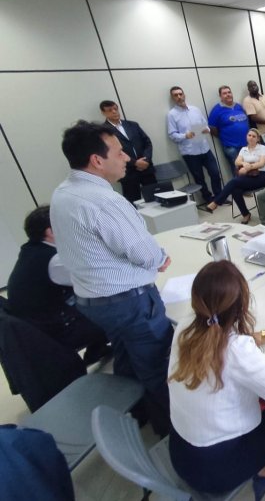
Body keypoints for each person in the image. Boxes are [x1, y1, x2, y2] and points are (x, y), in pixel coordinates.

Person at [50, 122, 173, 434]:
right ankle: (171, 428)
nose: (127, 158)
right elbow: (143, 252)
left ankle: (137, 415)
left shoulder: (63, 193)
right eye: (119, 152)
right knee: (158, 365)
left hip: (94, 302)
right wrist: (159, 258)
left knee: (128, 358)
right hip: (129, 303)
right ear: (97, 160)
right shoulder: (105, 202)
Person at [168, 261, 265, 497]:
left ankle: (263, 459)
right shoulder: (237, 349)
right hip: (217, 470)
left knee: (254, 396)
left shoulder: (186, 325)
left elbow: (221, 338)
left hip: (181, 454)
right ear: (242, 305)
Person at [7, 206, 110, 365]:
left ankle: (97, 349)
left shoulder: (33, 249)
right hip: (55, 328)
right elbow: (97, 280)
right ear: (51, 232)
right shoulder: (54, 261)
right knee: (118, 311)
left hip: (39, 321)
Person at [167, 86, 222, 203]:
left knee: (215, 173)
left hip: (205, 148)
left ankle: (219, 196)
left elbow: (204, 124)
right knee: (199, 178)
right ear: (173, 98)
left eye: (180, 94)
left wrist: (207, 129)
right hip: (190, 152)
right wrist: (184, 136)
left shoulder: (195, 109)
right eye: (175, 95)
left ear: (184, 94)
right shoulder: (172, 114)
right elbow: (172, 135)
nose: (179, 97)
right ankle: (208, 199)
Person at [205, 129, 265, 224]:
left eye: (254, 136)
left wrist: (249, 167)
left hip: (261, 176)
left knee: (234, 182)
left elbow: (261, 163)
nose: (251, 138)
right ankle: (245, 214)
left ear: (258, 139)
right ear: (246, 137)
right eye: (249, 135)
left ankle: (216, 202)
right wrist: (244, 163)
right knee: (235, 190)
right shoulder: (243, 149)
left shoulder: (262, 148)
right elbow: (237, 162)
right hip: (248, 177)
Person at [100, 100, 156, 202]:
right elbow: (111, 153)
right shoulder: (104, 131)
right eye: (110, 110)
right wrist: (135, 163)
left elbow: (147, 143)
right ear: (103, 113)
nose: (114, 112)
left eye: (115, 109)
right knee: (133, 202)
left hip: (146, 168)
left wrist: (146, 160)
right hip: (127, 172)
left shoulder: (132, 125)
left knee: (156, 197)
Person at [208, 85, 250, 172]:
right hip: (232, 147)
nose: (228, 95)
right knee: (238, 170)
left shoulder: (239, 106)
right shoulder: (216, 110)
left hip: (246, 145)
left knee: (249, 167)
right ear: (220, 96)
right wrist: (225, 136)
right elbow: (212, 128)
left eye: (229, 92)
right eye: (224, 93)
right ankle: (240, 186)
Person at [242, 80, 265, 160]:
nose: (254, 87)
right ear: (248, 89)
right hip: (261, 135)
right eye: (251, 86)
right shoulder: (247, 100)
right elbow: (254, 117)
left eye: (255, 85)